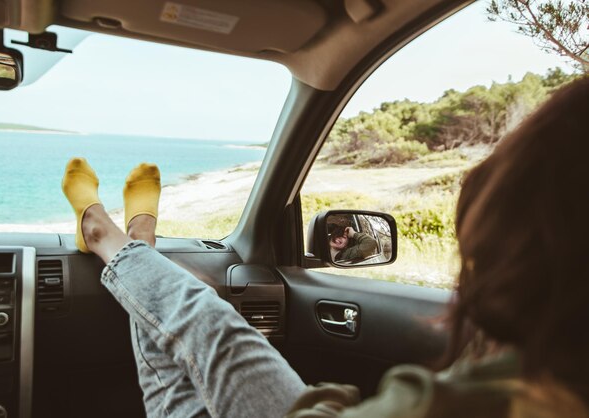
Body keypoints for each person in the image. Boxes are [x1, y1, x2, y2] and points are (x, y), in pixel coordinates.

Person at [62, 76, 589, 418]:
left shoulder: (480, 401)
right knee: (185, 383)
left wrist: (339, 400)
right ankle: (140, 243)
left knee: (209, 319)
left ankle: (109, 235)